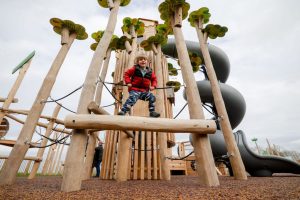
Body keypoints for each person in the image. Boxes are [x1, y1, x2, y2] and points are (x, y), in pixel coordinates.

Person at [118, 52, 160, 118]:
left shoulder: (150, 71)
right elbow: (126, 74)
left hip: (144, 91)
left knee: (152, 97)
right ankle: (124, 111)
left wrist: (153, 86)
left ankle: (152, 112)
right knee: (133, 98)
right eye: (140, 59)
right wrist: (128, 82)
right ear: (138, 62)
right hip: (134, 89)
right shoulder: (134, 69)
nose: (143, 60)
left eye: (144, 59)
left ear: (147, 62)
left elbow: (154, 79)